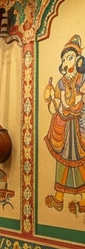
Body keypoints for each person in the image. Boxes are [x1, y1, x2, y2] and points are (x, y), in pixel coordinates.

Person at [43, 34, 85, 212]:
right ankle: (58, 198)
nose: (67, 62)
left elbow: (77, 102)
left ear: (78, 60)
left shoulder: (82, 80)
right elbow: (56, 109)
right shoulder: (61, 83)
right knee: (63, 161)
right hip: (65, 126)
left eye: (70, 58)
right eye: (64, 59)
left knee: (81, 161)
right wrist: (50, 99)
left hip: (79, 125)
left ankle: (83, 199)